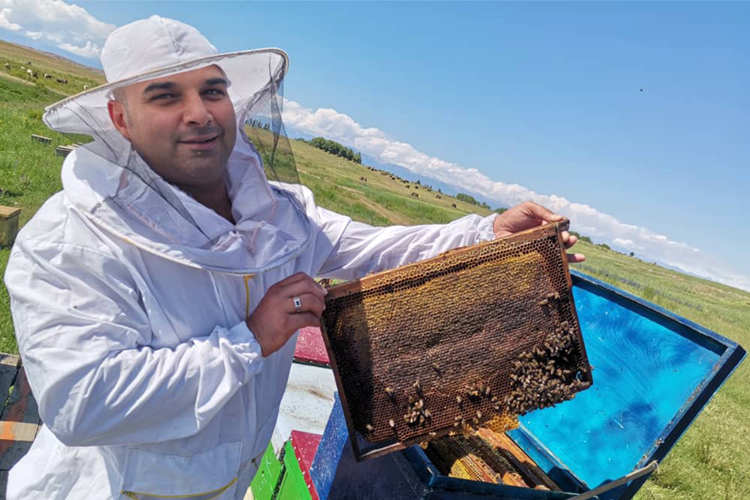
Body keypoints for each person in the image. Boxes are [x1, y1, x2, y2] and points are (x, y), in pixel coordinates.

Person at [3, 15, 583, 500]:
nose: (199, 113)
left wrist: (486, 232)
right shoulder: (70, 239)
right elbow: (84, 404)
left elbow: (373, 249)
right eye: (165, 96)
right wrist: (251, 339)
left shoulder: (276, 216)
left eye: (212, 91)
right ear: (120, 119)